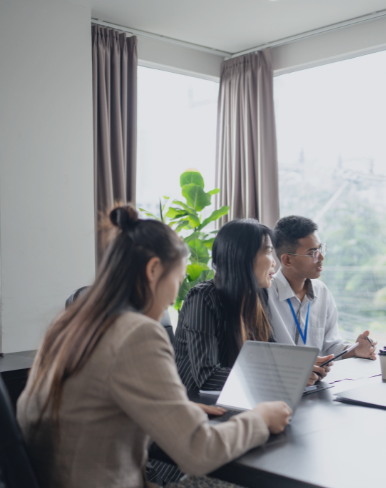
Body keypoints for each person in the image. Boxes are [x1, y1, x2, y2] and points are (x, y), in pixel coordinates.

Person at [17, 205, 291, 488]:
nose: (174, 297)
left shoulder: (69, 326)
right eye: (178, 278)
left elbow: (99, 411)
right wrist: (260, 419)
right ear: (153, 270)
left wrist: (178, 409)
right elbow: (199, 452)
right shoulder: (136, 333)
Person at [174, 218, 332, 391]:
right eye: (269, 252)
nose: (274, 262)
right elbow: (208, 377)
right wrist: (287, 374)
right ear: (243, 256)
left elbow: (269, 355)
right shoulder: (203, 297)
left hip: (240, 399)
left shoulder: (257, 296)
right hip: (200, 406)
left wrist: (304, 365)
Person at [266, 216, 377, 373]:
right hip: (281, 386)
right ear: (287, 260)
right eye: (313, 253)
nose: (321, 258)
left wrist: (355, 349)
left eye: (320, 249)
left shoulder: (322, 292)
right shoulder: (264, 295)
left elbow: (331, 345)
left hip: (318, 383)